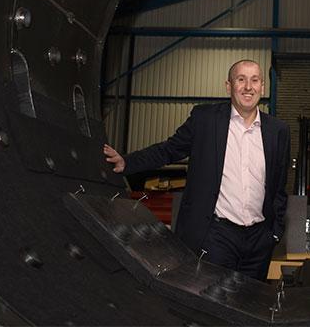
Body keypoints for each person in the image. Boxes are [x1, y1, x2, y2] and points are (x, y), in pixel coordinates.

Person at [103, 60, 290, 280]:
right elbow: (169, 150)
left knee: (251, 304)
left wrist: (274, 233)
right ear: (229, 86)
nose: (248, 87)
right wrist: (127, 163)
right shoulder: (205, 120)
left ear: (262, 88)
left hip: (259, 242)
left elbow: (279, 186)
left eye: (254, 80)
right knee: (211, 300)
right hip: (216, 235)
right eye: (241, 79)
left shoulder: (278, 131)